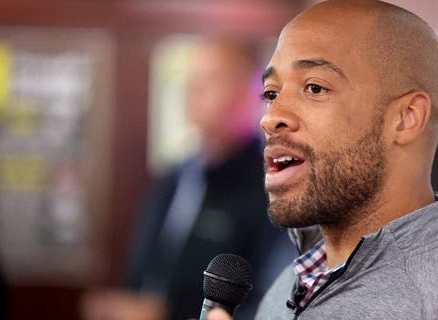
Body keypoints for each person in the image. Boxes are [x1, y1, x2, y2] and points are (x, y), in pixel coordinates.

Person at [208, 0, 438, 319]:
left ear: (406, 118)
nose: (270, 118)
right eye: (271, 93)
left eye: (315, 88)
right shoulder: (298, 279)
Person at [82, 38, 292, 320]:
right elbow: (144, 269)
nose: (193, 90)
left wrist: (166, 313)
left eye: (211, 79)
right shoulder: (173, 177)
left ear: (249, 92)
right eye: (190, 79)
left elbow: (270, 298)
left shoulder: (271, 184)